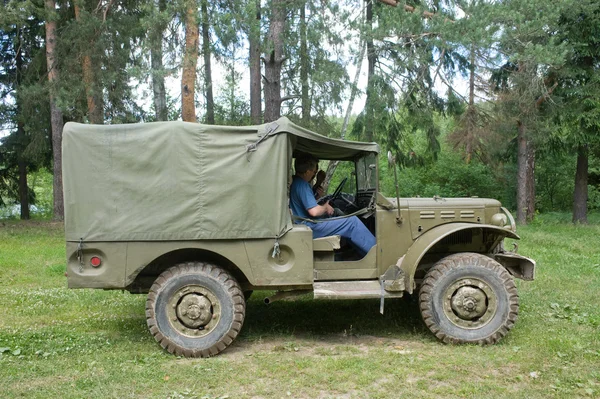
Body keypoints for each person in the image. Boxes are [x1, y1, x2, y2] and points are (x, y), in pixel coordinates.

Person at [289, 154, 376, 257]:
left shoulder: (296, 182)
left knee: (342, 218)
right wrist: (325, 207)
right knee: (352, 223)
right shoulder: (302, 185)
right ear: (307, 171)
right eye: (313, 172)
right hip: (307, 227)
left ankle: (360, 254)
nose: (314, 174)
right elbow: (314, 211)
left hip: (303, 224)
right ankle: (379, 256)